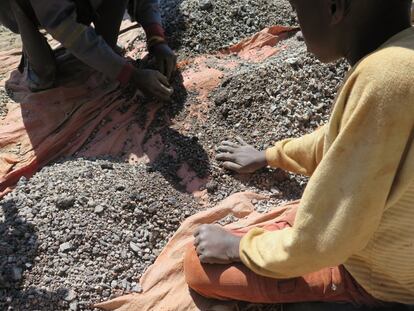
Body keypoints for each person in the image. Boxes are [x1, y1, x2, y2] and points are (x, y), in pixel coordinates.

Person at [184, 0, 414, 310]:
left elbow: (327, 240)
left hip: (383, 278)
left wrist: (239, 247)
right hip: (393, 243)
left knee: (197, 268)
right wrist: (270, 155)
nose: (298, 22)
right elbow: (340, 141)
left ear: (334, 7)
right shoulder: (403, 52)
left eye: (298, 9)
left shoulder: (383, 79)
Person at [0, 0, 175, 100]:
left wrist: (156, 38)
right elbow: (65, 27)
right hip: (21, 5)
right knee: (44, 76)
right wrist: (132, 75)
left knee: (106, 48)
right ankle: (33, 54)